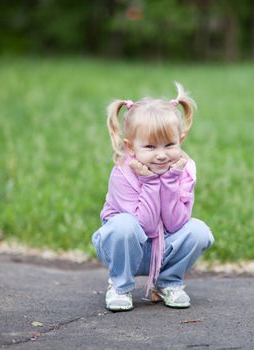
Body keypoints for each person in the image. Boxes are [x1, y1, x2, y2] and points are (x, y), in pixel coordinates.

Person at [91, 82, 214, 312]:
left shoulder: (183, 171)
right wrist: (149, 181)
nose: (160, 155)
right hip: (126, 248)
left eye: (169, 145)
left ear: (181, 140)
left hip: (164, 247)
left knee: (198, 231)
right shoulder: (123, 173)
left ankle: (167, 282)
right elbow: (144, 225)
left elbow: (176, 223)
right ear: (130, 147)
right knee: (124, 225)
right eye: (149, 146)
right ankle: (120, 285)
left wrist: (168, 180)